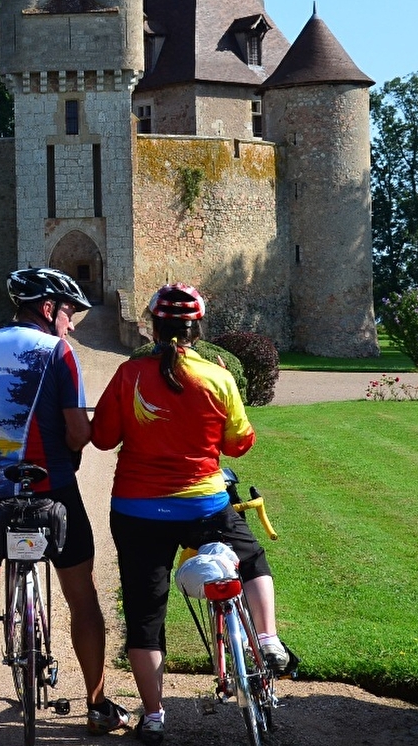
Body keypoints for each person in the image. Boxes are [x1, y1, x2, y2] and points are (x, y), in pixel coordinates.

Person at [90, 283, 291, 745]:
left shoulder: (129, 375)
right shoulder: (217, 377)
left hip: (138, 509)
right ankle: (266, 639)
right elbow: (239, 443)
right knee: (253, 560)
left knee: (145, 614)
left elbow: (102, 439)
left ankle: (155, 714)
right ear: (197, 328)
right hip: (203, 504)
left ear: (153, 327)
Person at [0, 267, 131, 735]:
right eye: (68, 312)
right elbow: (76, 431)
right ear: (48, 309)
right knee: (81, 597)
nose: (71, 323)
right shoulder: (58, 351)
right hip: (53, 493)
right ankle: (96, 703)